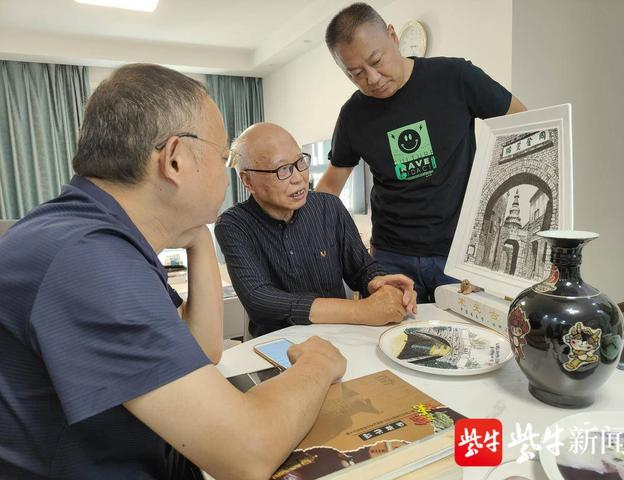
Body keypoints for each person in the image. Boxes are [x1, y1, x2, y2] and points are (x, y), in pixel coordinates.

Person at [0, 64, 347, 480]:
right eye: (222, 158)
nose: (228, 178)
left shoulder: (89, 232)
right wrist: (317, 363)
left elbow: (202, 349)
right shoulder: (88, 261)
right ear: (176, 160)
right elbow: (247, 454)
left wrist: (199, 233)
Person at [316, 3, 527, 303]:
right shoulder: (353, 115)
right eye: (356, 73)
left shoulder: (455, 77)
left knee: (465, 329)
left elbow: (521, 122)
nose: (372, 78)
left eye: (377, 61)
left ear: (392, 36)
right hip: (390, 255)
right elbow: (330, 185)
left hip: (459, 252)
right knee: (394, 330)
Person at [215, 122, 417, 338]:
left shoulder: (329, 207)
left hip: (341, 336)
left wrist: (381, 283)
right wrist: (360, 310)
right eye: (282, 169)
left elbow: (361, 268)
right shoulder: (233, 225)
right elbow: (260, 299)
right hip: (278, 343)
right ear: (248, 180)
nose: (299, 178)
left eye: (300, 162)